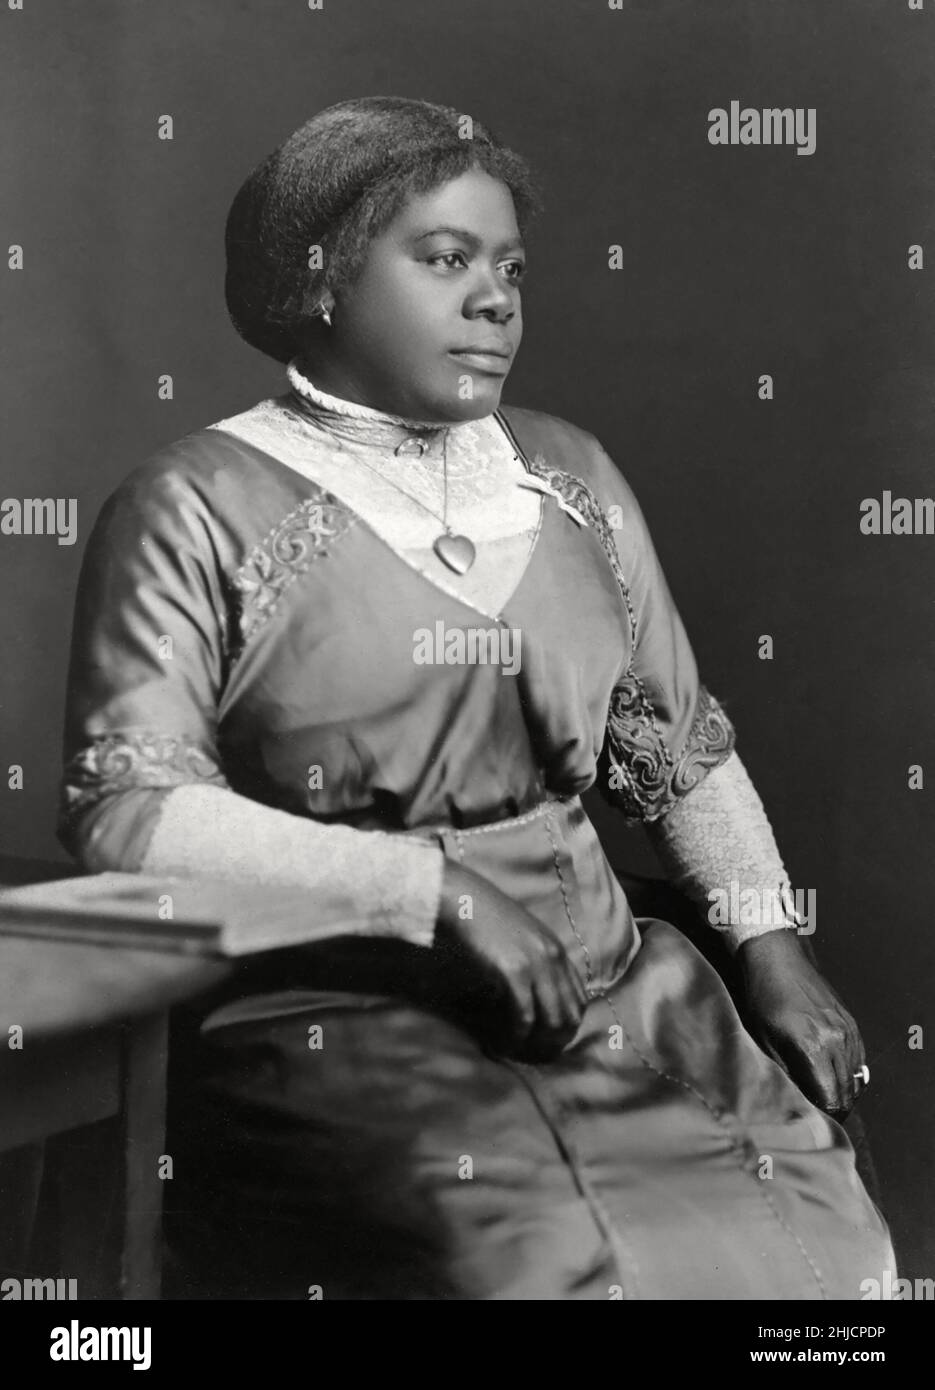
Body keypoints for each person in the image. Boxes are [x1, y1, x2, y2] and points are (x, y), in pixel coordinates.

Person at [58, 96, 895, 1300]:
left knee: (822, 1261)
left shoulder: (570, 476)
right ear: (323, 281)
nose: (495, 298)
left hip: (618, 990)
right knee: (530, 1265)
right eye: (444, 261)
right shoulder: (194, 501)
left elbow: (674, 747)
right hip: (337, 1008)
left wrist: (768, 943)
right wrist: (433, 895)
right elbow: (127, 813)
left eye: (507, 266)